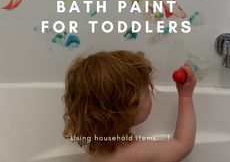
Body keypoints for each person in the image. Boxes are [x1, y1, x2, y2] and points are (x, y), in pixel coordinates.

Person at [63, 50, 197, 162]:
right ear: (131, 106)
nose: (150, 95)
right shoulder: (139, 153)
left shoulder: (95, 145)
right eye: (147, 92)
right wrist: (185, 96)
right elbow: (182, 145)